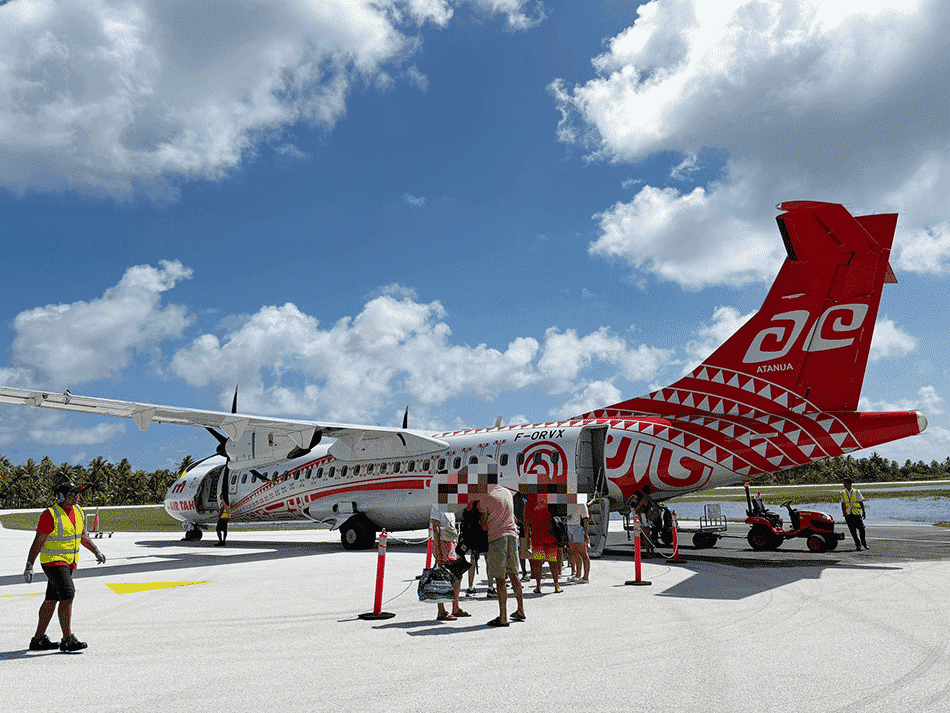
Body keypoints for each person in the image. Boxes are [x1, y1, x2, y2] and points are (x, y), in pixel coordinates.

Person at [23, 483, 106, 652]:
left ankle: (38, 639)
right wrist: (29, 565)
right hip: (52, 561)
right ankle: (67, 639)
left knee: (52, 598)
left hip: (69, 562)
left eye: (78, 494)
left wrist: (95, 550)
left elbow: (82, 536)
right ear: (61, 496)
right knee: (68, 594)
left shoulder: (79, 512)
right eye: (72, 494)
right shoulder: (50, 515)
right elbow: (38, 541)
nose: (76, 497)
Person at [478, 478, 526, 627]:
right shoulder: (507, 492)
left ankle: (503, 616)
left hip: (497, 538)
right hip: (512, 537)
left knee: (500, 578)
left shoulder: (485, 497)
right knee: (514, 575)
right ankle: (520, 610)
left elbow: (484, 523)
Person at [429, 503, 469, 621]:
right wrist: (439, 553)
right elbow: (435, 528)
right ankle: (441, 610)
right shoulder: (436, 506)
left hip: (451, 544)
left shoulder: (449, 507)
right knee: (442, 578)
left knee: (457, 576)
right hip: (442, 545)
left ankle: (455, 607)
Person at [525, 494, 561, 594]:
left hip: (537, 537)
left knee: (538, 562)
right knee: (552, 561)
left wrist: (527, 539)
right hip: (550, 536)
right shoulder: (550, 498)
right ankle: (556, 585)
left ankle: (538, 586)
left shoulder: (529, 502)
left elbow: (526, 522)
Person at [841, 478, 869, 551]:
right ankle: (858, 545)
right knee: (853, 531)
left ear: (849, 484)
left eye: (845, 483)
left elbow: (861, 502)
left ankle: (864, 543)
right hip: (848, 514)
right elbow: (843, 504)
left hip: (856, 513)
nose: (843, 485)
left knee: (862, 529)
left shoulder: (856, 492)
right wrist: (844, 513)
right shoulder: (843, 492)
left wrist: (864, 512)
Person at [567, 499, 591, 583]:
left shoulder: (581, 503)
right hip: (569, 527)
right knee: (574, 552)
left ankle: (586, 577)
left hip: (578, 528)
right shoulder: (568, 502)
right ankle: (578, 574)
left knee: (583, 553)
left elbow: (586, 520)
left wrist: (586, 534)